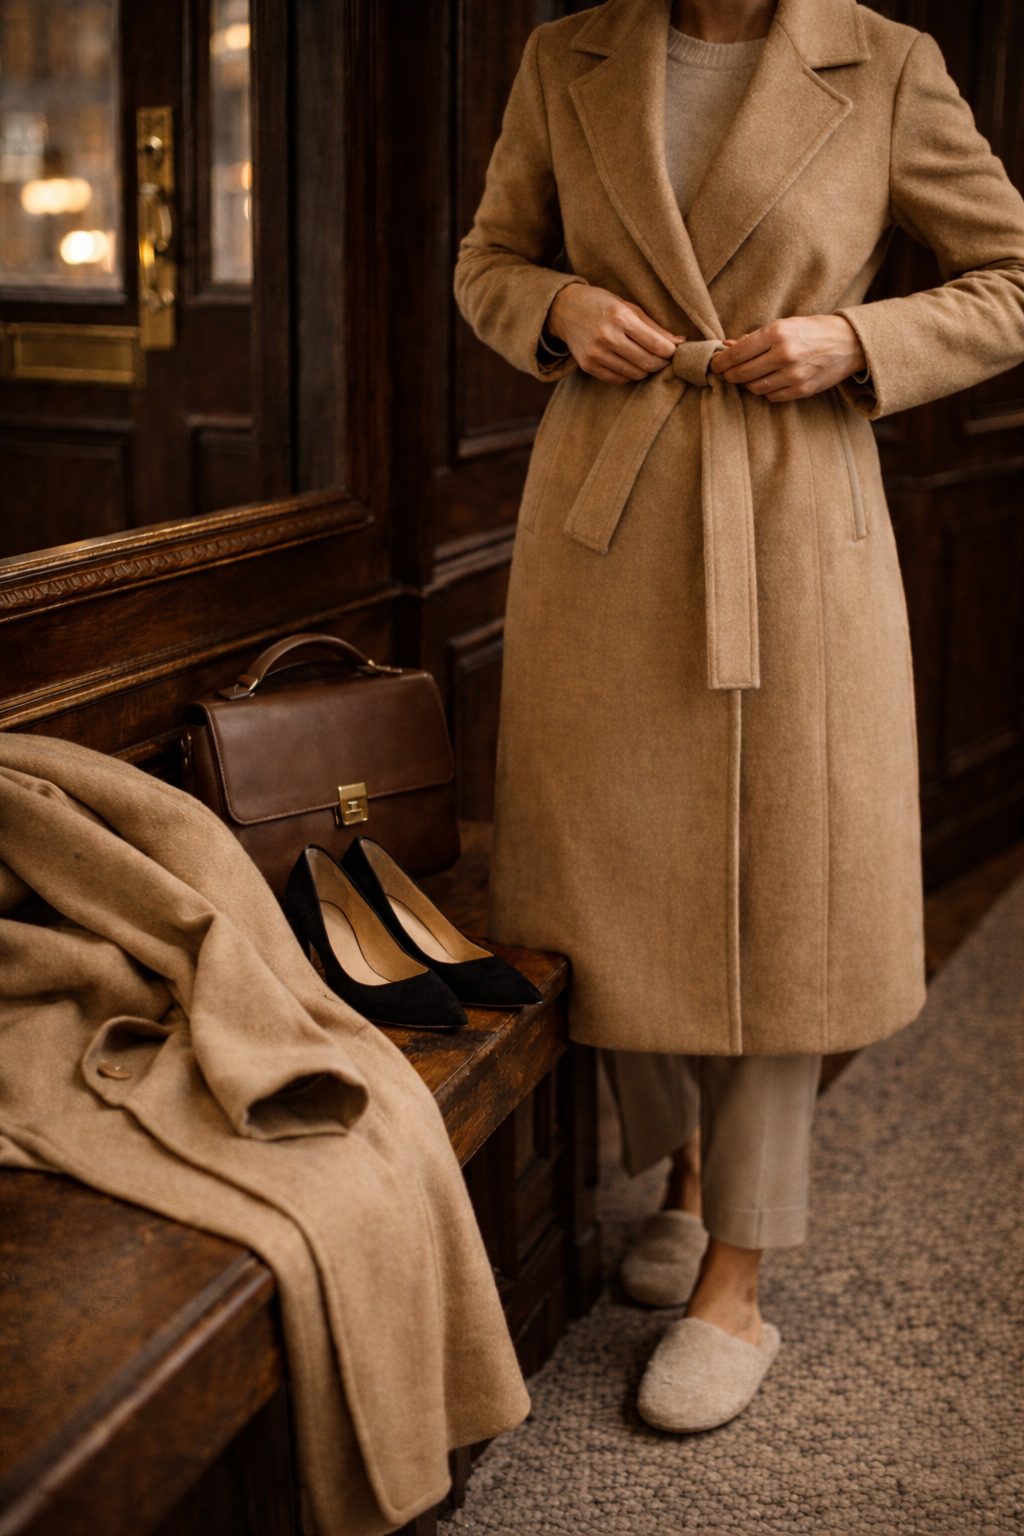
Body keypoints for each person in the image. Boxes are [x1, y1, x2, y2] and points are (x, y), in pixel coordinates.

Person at [453, 0, 1024, 1431]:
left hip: (790, 515)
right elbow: (487, 261)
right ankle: (685, 1165)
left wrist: (854, 335)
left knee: (788, 889)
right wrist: (557, 309)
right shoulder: (564, 53)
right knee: (615, 875)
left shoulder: (886, 63)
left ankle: (738, 1277)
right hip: (605, 518)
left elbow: (1015, 280)